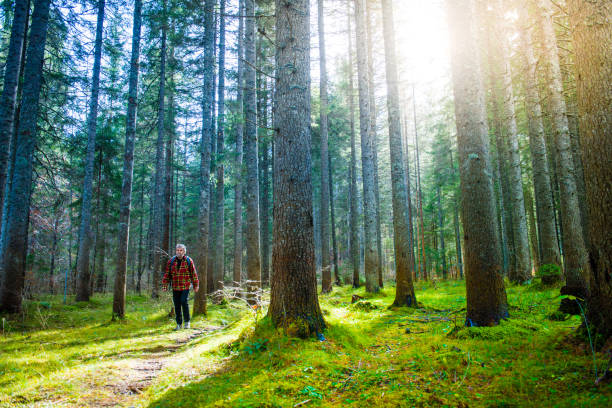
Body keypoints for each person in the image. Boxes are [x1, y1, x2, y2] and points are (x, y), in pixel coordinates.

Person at [162, 243, 199, 330]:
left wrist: (196, 285)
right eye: (177, 250)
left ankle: (187, 322)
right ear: (176, 251)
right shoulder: (171, 261)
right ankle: (179, 324)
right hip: (175, 286)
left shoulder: (189, 261)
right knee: (177, 305)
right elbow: (167, 274)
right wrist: (165, 285)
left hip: (185, 286)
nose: (179, 252)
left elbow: (193, 274)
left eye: (181, 250)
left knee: (183, 301)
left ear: (184, 251)